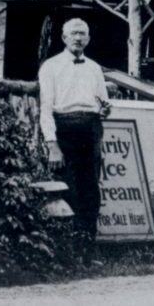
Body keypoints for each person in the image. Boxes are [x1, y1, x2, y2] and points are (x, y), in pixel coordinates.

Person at [38, 18, 111, 251]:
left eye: (82, 34)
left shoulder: (94, 68)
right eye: (74, 33)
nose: (78, 38)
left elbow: (103, 102)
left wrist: (105, 109)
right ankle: (67, 249)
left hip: (90, 130)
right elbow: (46, 108)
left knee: (91, 189)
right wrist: (52, 144)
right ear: (64, 38)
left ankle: (88, 247)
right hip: (65, 130)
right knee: (68, 188)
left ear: (88, 39)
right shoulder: (51, 66)